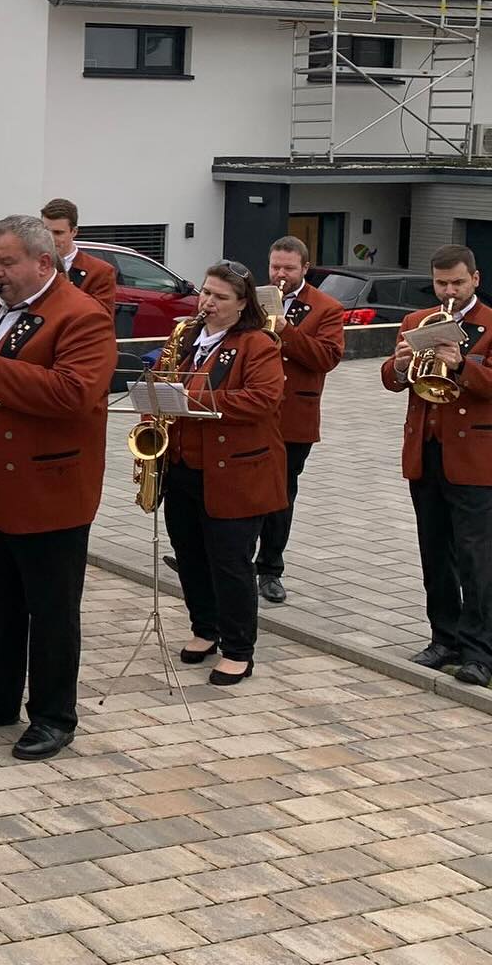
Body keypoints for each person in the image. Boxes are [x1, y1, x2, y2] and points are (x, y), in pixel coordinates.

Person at [0, 216, 116, 760]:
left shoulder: (82, 316)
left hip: (47, 487)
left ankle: (54, 714)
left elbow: (75, 393)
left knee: (51, 609)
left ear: (43, 262)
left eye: (7, 262)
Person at [161, 260, 285, 687]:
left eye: (220, 297)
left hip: (235, 473)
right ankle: (204, 628)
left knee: (230, 562)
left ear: (242, 303)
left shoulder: (257, 343)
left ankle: (238, 648)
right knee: (190, 555)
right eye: (206, 293)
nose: (208, 303)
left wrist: (192, 398)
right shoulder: (187, 335)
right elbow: (164, 379)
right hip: (181, 467)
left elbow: (263, 399)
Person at [382, 245, 492, 685]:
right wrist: (400, 364)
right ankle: (443, 637)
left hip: (475, 458)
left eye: (457, 283)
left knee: (476, 558)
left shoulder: (490, 324)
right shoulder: (416, 321)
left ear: (475, 280)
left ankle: (480, 651)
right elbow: (391, 380)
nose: (448, 291)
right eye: (442, 283)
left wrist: (462, 364)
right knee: (435, 553)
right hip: (426, 453)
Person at [256, 236, 344, 604]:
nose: (280, 274)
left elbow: (327, 357)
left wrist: (283, 330)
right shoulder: (255, 298)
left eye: (289, 268)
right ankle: (224, 556)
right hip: (253, 410)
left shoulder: (326, 308)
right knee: (240, 488)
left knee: (280, 494)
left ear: (305, 269)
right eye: (276, 266)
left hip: (294, 416)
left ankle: (270, 569)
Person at [40, 198, 117, 316]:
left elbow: (101, 318)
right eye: (46, 232)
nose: (50, 239)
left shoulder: (100, 271)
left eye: (58, 233)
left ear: (74, 231)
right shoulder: (31, 265)